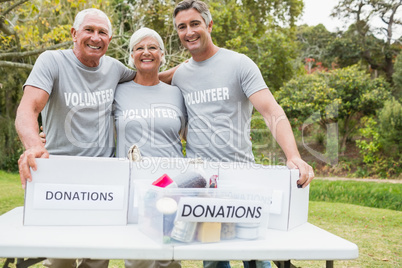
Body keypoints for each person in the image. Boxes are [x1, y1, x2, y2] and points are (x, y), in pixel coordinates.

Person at [168, 1, 316, 268]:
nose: (188, 31)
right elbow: (147, 75)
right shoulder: (179, 75)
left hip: (243, 178)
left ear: (209, 25)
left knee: (256, 256)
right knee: (213, 260)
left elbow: (272, 111)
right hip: (205, 183)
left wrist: (293, 155)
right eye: (181, 27)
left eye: (194, 24)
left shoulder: (239, 64)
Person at [15, 8, 135, 268]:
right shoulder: (52, 61)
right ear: (73, 33)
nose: (95, 37)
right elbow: (28, 109)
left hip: (104, 178)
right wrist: (34, 145)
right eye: (89, 30)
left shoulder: (116, 69)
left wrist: (186, 70)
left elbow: (150, 78)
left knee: (97, 258)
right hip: (59, 175)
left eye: (102, 32)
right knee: (61, 259)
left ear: (109, 40)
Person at [113, 27, 186, 268]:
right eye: (139, 48)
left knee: (169, 256)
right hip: (134, 186)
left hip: (171, 184)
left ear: (162, 55)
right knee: (137, 258)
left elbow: (187, 134)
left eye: (152, 47)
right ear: (131, 55)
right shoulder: (117, 91)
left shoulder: (177, 93)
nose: (146, 52)